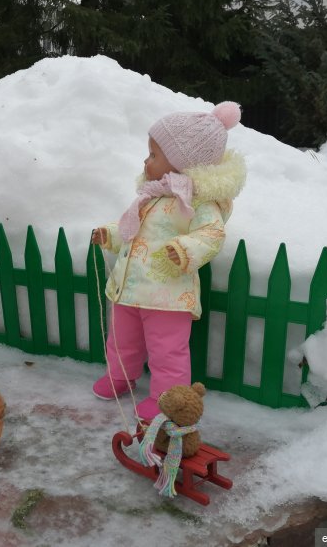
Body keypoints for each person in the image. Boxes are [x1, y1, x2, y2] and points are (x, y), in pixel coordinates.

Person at [90, 102, 246, 421]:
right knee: (121, 340)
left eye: (154, 154)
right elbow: (131, 230)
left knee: (168, 352)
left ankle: (166, 398)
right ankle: (121, 376)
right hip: (128, 290)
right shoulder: (151, 197)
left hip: (168, 297)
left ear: (181, 163)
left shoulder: (197, 202)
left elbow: (211, 234)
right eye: (149, 153)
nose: (146, 161)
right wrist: (110, 235)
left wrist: (185, 250)